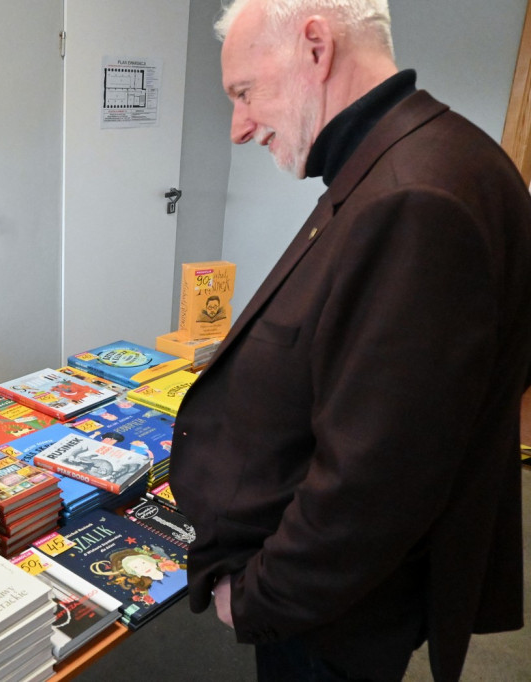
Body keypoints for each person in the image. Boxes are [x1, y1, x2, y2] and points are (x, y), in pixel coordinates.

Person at [168, 2, 531, 681]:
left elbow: (374, 486)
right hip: (339, 597)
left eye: (244, 92)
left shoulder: (414, 197)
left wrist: (255, 600)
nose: (240, 127)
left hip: (330, 616)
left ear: (314, 46)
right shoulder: (418, 155)